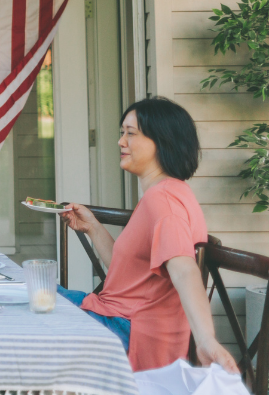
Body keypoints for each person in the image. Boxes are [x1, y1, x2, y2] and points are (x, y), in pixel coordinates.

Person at [60, 97, 239, 373]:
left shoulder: (164, 202)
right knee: (30, 290)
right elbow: (129, 274)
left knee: (23, 296)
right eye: (122, 133)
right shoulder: (167, 193)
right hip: (119, 318)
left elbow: (184, 270)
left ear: (163, 142)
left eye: (131, 134)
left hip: (129, 334)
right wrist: (93, 227)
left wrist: (206, 340)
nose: (121, 142)